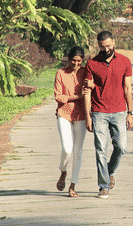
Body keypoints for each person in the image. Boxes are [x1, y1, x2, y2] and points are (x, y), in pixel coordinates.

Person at [83, 31, 133, 199]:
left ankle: (109, 171)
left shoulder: (125, 61)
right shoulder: (92, 64)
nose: (106, 49)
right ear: (98, 45)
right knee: (100, 149)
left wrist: (130, 112)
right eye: (103, 47)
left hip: (119, 111)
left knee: (121, 147)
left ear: (114, 42)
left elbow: (127, 88)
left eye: (109, 46)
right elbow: (87, 91)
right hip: (99, 112)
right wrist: (88, 116)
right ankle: (103, 186)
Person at [54, 46, 88, 197]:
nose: (76, 64)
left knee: (78, 151)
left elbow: (90, 90)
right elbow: (58, 97)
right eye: (73, 60)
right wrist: (76, 96)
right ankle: (63, 170)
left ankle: (73, 185)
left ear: (83, 61)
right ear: (69, 59)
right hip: (64, 113)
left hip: (81, 115)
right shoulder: (61, 73)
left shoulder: (85, 72)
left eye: (79, 61)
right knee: (67, 149)